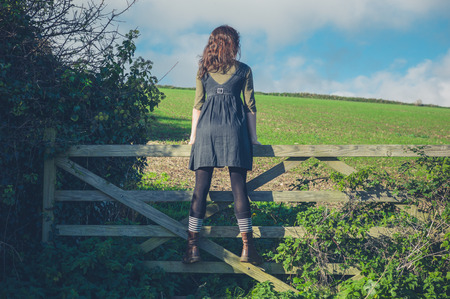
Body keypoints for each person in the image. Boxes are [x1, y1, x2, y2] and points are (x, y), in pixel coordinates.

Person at [183, 25, 263, 265]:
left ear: (213, 43)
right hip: (234, 130)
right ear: (233, 43)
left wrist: (193, 137)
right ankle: (247, 249)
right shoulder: (244, 70)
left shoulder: (203, 70)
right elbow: (250, 106)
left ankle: (192, 249)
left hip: (206, 129)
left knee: (200, 190)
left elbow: (198, 105)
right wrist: (254, 138)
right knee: (239, 188)